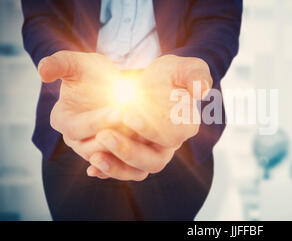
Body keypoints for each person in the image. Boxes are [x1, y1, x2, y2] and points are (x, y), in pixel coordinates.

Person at [21, 0, 242, 220]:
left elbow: (219, 18)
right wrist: (67, 73)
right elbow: (42, 18)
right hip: (77, 118)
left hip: (177, 123)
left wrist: (188, 75)